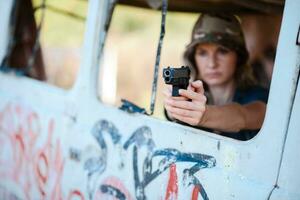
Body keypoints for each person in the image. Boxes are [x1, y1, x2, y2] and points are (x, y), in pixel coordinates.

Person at [164, 13, 268, 140]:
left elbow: (242, 117)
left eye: (222, 51)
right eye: (203, 53)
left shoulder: (259, 96)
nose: (212, 64)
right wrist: (174, 109)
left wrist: (204, 115)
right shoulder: (192, 95)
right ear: (193, 59)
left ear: (238, 57)